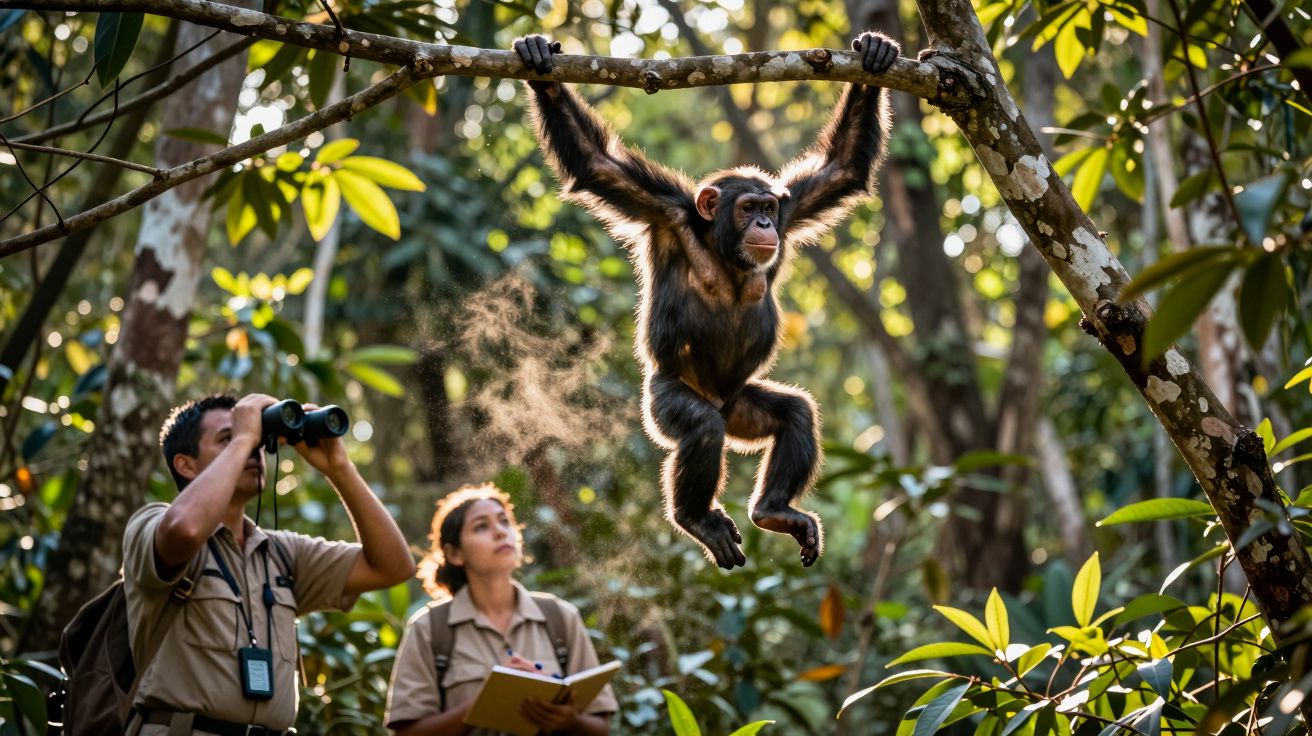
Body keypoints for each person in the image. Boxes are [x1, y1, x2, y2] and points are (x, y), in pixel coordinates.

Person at [123, 393, 415, 735]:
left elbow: (393, 566)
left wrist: (339, 468)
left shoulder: (280, 553)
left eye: (258, 441)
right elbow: (185, 530)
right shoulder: (152, 525)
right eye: (227, 439)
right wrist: (245, 435)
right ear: (185, 464)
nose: (253, 451)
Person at [385, 484, 616, 735]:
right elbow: (407, 732)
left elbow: (600, 727)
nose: (500, 532)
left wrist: (570, 721)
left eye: (505, 522)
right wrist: (487, 701)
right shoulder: (428, 629)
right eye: (481, 526)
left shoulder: (561, 617)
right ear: (454, 554)